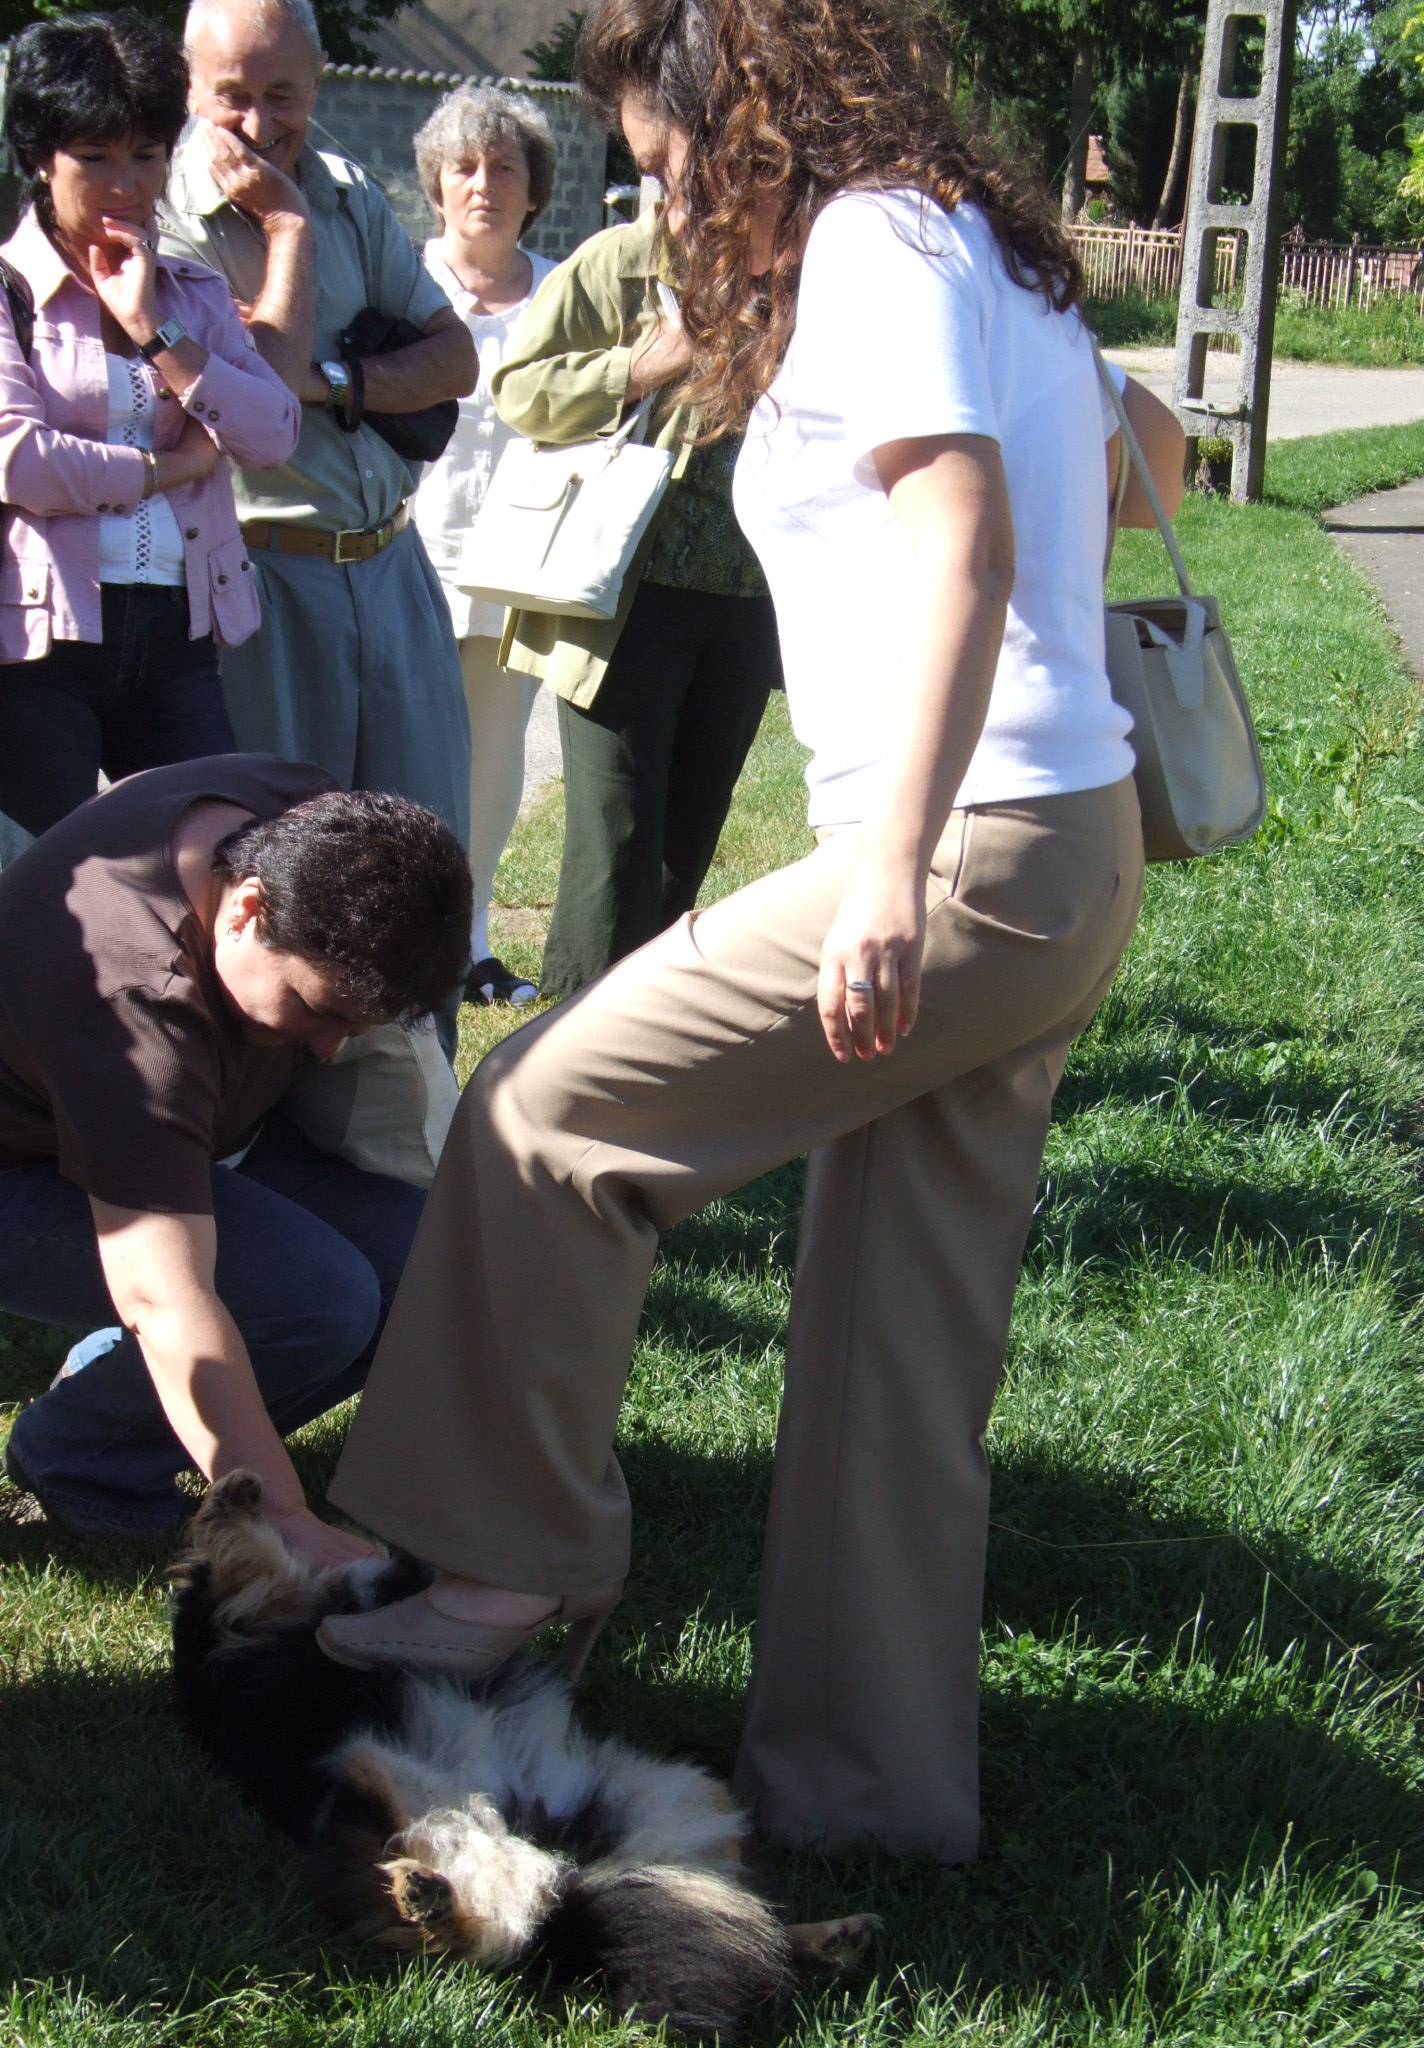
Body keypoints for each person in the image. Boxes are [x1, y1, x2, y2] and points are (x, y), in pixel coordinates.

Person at [312, 0, 1189, 1860]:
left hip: (962, 850)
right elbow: (1152, 455)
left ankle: (507, 1562)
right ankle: (866, 1802)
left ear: (755, 113)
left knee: (544, 1116)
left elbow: (964, 539)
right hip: (1065, 841)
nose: (669, 196)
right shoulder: (980, 239)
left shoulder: (872, 239)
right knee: (893, 1352)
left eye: (670, 155)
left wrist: (887, 860)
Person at [0, 757, 471, 1561]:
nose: (329, 1048)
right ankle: (80, 1453)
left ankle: (114, 1387)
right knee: (317, 1304)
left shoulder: (303, 820)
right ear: (249, 910)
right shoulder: (134, 1004)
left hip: (207, 1136)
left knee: (426, 1267)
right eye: (318, 1009)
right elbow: (164, 1295)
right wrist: (282, 1518)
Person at [0, 11, 300, 873]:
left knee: (209, 876)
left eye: (145, 155)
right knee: (53, 897)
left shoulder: (190, 292)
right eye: (94, 157)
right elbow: (11, 454)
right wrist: (166, 468)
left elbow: (274, 432)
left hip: (178, 634)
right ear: (41, 158)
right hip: (36, 646)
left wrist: (155, 330)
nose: (125, 184)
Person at [155, 0, 478, 852]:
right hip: (262, 582)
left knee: (425, 850)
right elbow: (257, 393)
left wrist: (331, 382)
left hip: (393, 565)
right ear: (189, 86)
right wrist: (285, 225)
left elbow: (456, 360)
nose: (259, 125)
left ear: (319, 83)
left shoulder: (349, 190)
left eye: (283, 95)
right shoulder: (165, 215)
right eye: (233, 95)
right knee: (287, 864)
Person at [489, 172, 784, 1000]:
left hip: (749, 595)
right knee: (617, 834)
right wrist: (644, 366)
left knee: (689, 833)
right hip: (625, 597)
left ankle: (644, 1022)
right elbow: (520, 391)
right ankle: (571, 1031)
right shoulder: (621, 263)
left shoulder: (798, 274)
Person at [411, 85, 559, 1008]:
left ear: (533, 189)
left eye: (504, 167)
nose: (483, 185)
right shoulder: (403, 283)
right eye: (463, 167)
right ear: (436, 184)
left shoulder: (562, 292)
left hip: (518, 567)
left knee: (493, 768)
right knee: (402, 755)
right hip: (405, 557)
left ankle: (467, 949)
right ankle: (392, 938)